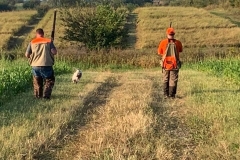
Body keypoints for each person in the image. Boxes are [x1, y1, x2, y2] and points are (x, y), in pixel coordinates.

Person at [25, 28, 57, 99]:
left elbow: (27, 55)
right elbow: (54, 52)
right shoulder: (49, 41)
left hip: (35, 65)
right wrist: (51, 44)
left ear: (37, 34)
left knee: (37, 82)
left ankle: (38, 96)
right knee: (49, 80)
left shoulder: (32, 42)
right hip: (46, 65)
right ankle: (46, 96)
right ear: (43, 34)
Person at [158, 27, 183, 99]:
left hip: (165, 64)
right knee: (173, 79)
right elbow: (180, 50)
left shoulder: (163, 42)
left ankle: (166, 95)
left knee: (165, 79)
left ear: (167, 34)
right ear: (174, 34)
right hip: (175, 65)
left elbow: (160, 52)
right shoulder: (178, 43)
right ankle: (171, 95)